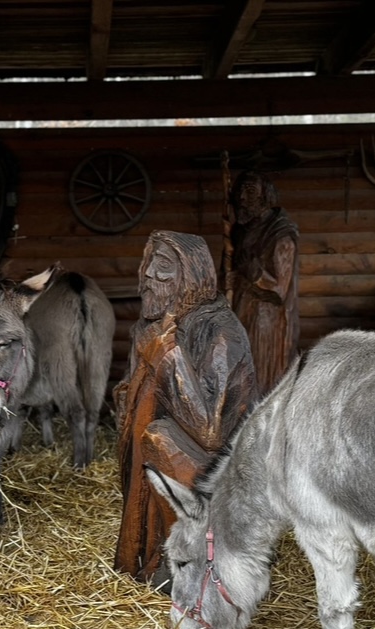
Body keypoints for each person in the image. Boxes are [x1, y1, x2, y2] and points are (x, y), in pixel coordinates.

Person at [113, 231, 258, 585]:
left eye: (163, 267)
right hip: (157, 467)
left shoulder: (221, 332)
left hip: (217, 471)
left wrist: (168, 356)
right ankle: (147, 555)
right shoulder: (151, 326)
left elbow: (211, 431)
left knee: (161, 439)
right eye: (147, 264)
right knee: (153, 440)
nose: (148, 275)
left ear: (191, 276)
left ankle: (189, 561)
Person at [226, 171, 300, 396]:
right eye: (239, 191)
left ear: (265, 196)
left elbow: (279, 288)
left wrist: (251, 271)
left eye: (250, 191)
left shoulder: (280, 233)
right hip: (240, 313)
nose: (242, 198)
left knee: (261, 379)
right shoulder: (239, 231)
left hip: (266, 322)